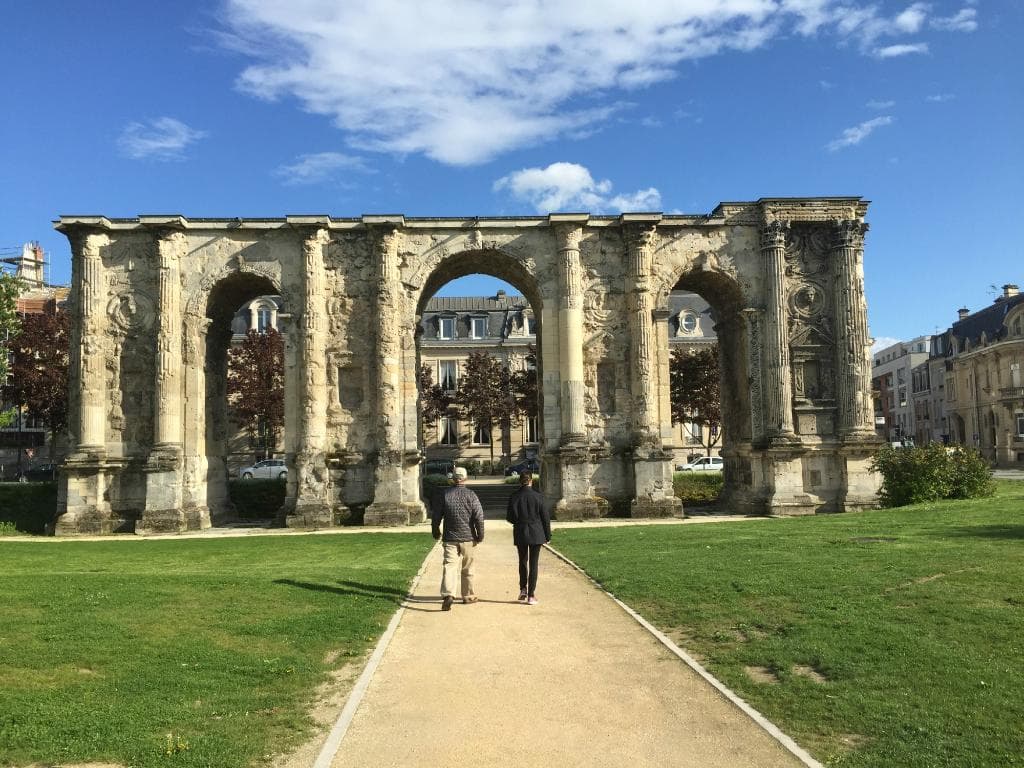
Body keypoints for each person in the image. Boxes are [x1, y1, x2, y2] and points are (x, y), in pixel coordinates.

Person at [431, 466, 485, 611]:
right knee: (468, 567)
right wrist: (480, 535)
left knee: (449, 566)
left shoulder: (445, 494)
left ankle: (448, 594)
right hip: (468, 537)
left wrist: (435, 530)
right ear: (465, 478)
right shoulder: (471, 495)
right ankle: (467, 596)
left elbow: (436, 516)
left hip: (450, 537)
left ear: (453, 479)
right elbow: (479, 517)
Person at [505, 471, 550, 605]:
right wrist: (547, 535)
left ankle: (523, 589)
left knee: (522, 561)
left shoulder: (514, 496)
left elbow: (509, 517)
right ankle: (531, 595)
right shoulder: (538, 496)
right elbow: (545, 518)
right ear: (531, 481)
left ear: (520, 481)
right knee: (533, 564)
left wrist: (519, 521)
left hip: (520, 531)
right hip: (536, 532)